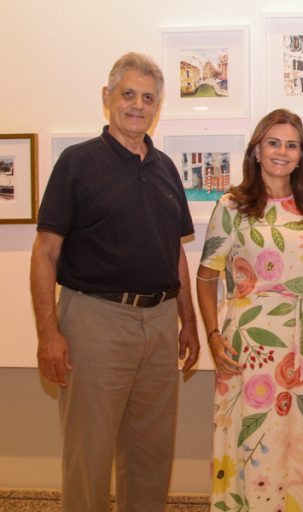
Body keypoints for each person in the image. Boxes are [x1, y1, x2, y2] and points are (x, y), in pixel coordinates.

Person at [30, 52, 199, 512]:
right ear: (107, 98)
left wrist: (189, 323)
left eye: (148, 97)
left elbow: (175, 251)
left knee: (151, 455)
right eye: (128, 94)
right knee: (90, 454)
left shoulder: (165, 168)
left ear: (157, 106)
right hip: (95, 321)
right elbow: (45, 253)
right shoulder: (77, 162)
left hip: (160, 323)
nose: (137, 105)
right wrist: (49, 334)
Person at [196, 108, 303, 512]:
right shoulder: (233, 206)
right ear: (257, 150)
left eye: (291, 145)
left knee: (301, 444)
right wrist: (213, 333)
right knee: (254, 443)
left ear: (301, 155)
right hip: (250, 343)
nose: (282, 151)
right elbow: (206, 277)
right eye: (273, 142)